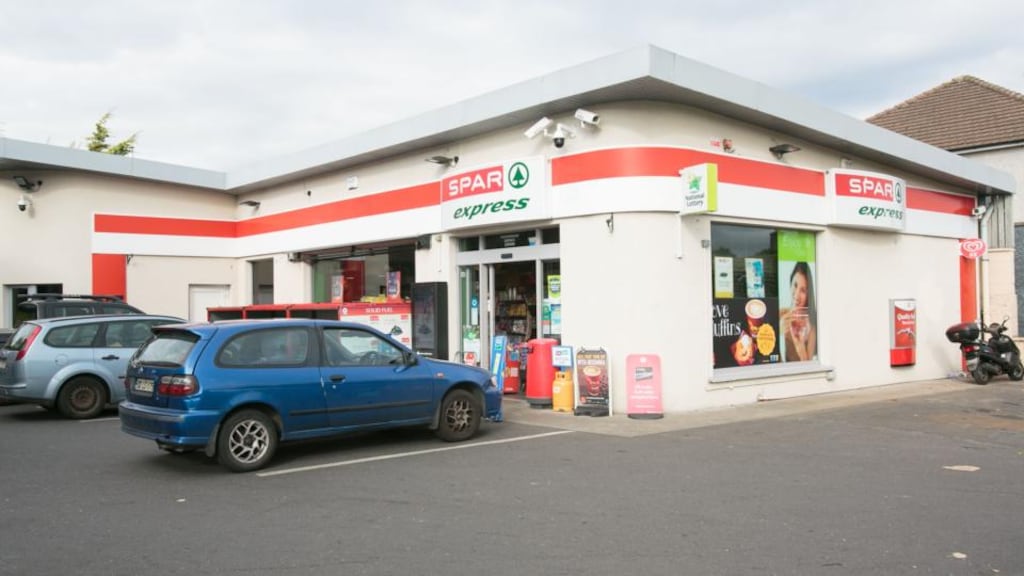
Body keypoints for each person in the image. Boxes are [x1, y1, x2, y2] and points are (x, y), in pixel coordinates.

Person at [781, 261, 817, 362]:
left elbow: (808, 368)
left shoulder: (811, 327)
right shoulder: (781, 315)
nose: (796, 295)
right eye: (795, 285)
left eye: (803, 290)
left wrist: (799, 345)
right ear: (790, 283)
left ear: (808, 295)